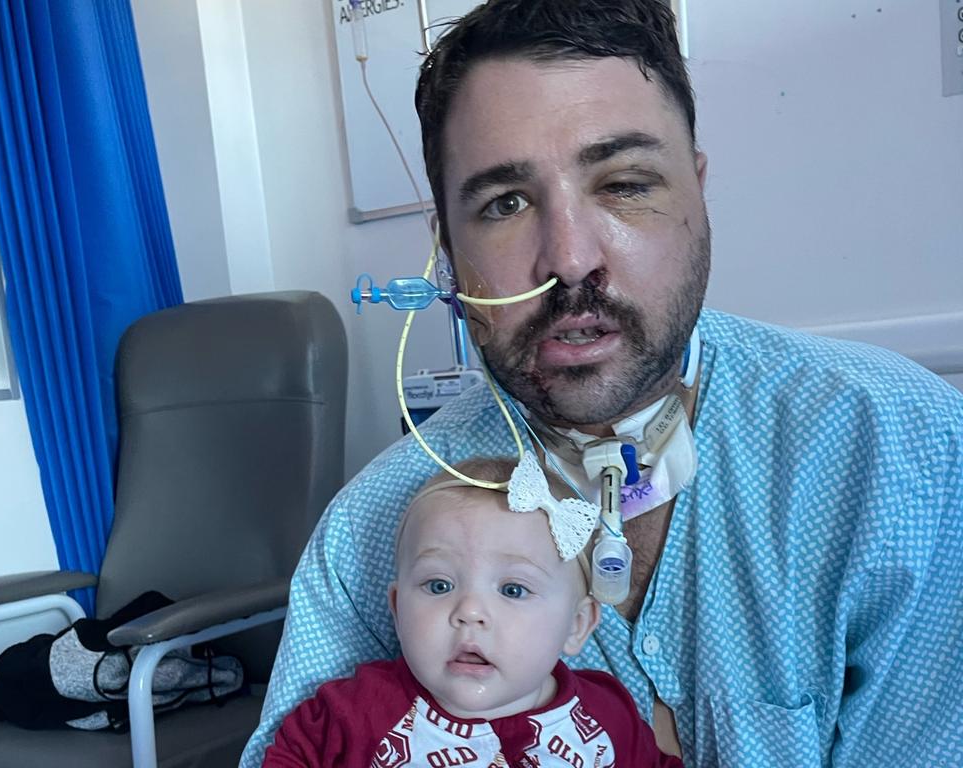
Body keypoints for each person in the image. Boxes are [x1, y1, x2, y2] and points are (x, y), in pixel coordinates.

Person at [242, 1, 963, 765]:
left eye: (624, 183)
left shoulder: (907, 455)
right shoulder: (369, 534)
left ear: (698, 191)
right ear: (446, 250)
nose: (571, 257)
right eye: (505, 203)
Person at [261, 457, 683, 767]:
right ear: (396, 608)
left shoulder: (608, 716)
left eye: (514, 589)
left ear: (577, 626)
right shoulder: (350, 714)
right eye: (439, 585)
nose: (470, 612)